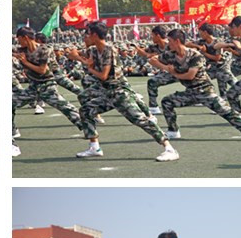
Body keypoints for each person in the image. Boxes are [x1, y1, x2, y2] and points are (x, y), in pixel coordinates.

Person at [70, 21, 178, 161]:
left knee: (140, 120)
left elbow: (103, 76)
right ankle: (94, 147)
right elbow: (71, 53)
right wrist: (82, 60)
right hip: (107, 93)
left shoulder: (109, 50)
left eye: (88, 34)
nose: (86, 37)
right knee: (85, 110)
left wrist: (89, 67)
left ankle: (169, 148)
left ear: (95, 35)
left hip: (119, 93)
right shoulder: (93, 50)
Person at [153, 28, 241, 142]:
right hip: (190, 92)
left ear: (177, 41)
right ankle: (173, 131)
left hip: (205, 91)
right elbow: (152, 59)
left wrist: (173, 73)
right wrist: (165, 67)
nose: (168, 44)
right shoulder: (170, 54)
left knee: (226, 111)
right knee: (167, 102)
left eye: (170, 41)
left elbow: (190, 76)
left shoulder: (195, 55)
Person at [12, 26, 82, 137]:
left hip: (47, 86)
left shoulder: (44, 50)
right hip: (33, 87)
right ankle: (12, 131)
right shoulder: (22, 50)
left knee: (68, 109)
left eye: (19, 39)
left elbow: (42, 70)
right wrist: (15, 55)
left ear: (25, 37)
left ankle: (89, 130)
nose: (18, 42)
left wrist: (25, 62)